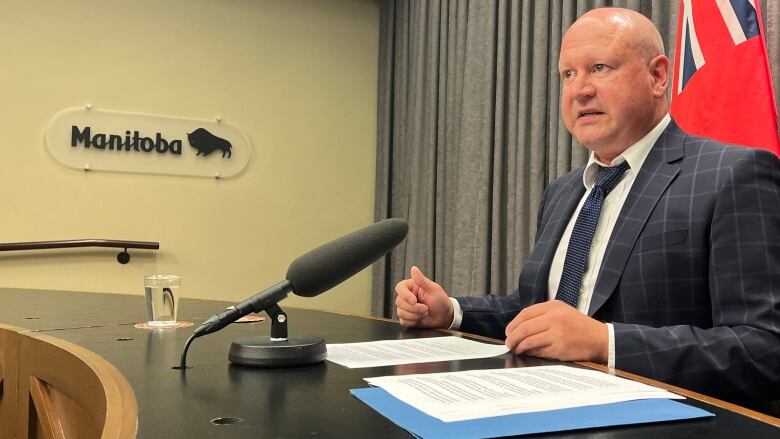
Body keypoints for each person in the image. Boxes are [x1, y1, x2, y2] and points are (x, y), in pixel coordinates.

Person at [395, 7, 780, 407]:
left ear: (658, 75)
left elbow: (764, 349)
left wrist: (605, 342)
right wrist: (451, 311)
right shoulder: (564, 191)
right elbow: (533, 311)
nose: (580, 90)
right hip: (534, 403)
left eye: (599, 67)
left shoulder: (733, 174)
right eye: (568, 74)